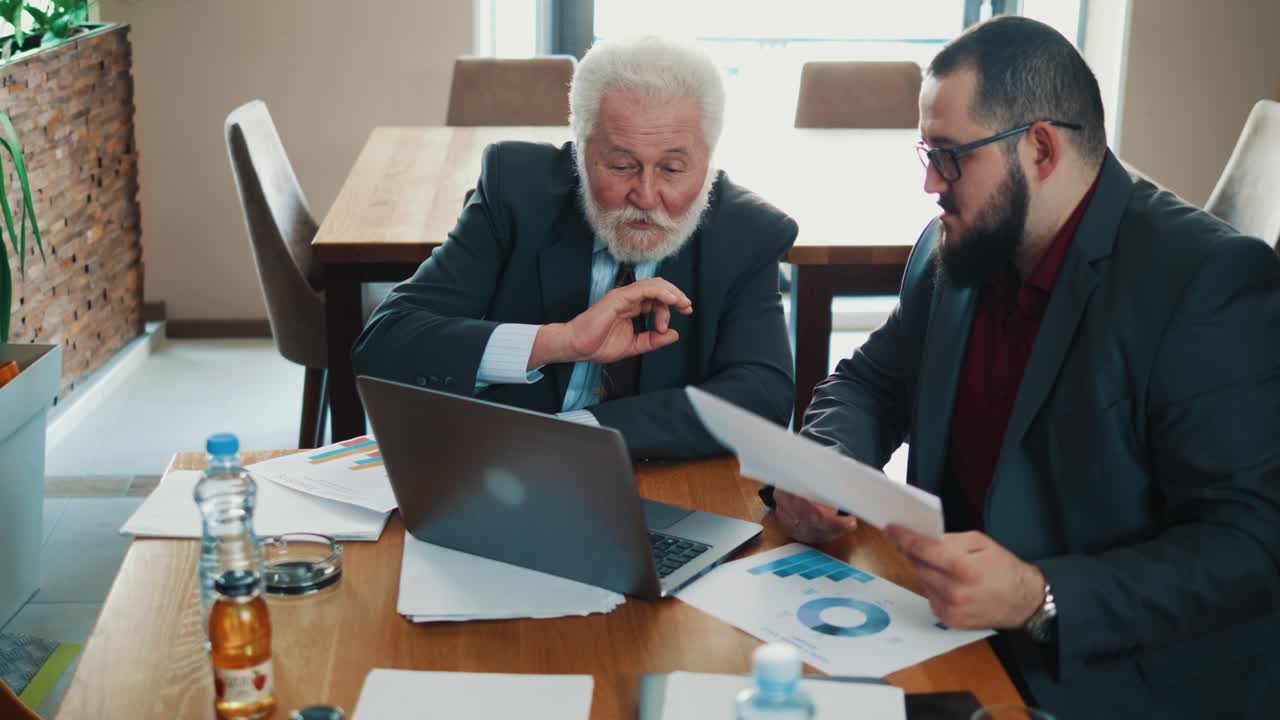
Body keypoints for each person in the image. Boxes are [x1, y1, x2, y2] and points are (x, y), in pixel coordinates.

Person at [770, 16, 1280, 720]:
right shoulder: (960, 245)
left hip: (1106, 675)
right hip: (945, 629)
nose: (929, 183)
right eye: (927, 152)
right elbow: (872, 380)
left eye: (949, 156)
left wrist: (1038, 594)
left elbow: (1249, 546)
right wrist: (826, 466)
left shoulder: (1205, 280)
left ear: (1040, 149)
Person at [352, 37, 795, 459]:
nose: (645, 194)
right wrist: (558, 342)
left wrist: (583, 431)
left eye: (673, 169)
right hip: (502, 474)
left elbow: (763, 395)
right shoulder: (514, 191)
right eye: (621, 166)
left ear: (708, 159)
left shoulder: (748, 231)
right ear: (579, 150)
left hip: (664, 479)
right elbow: (384, 345)